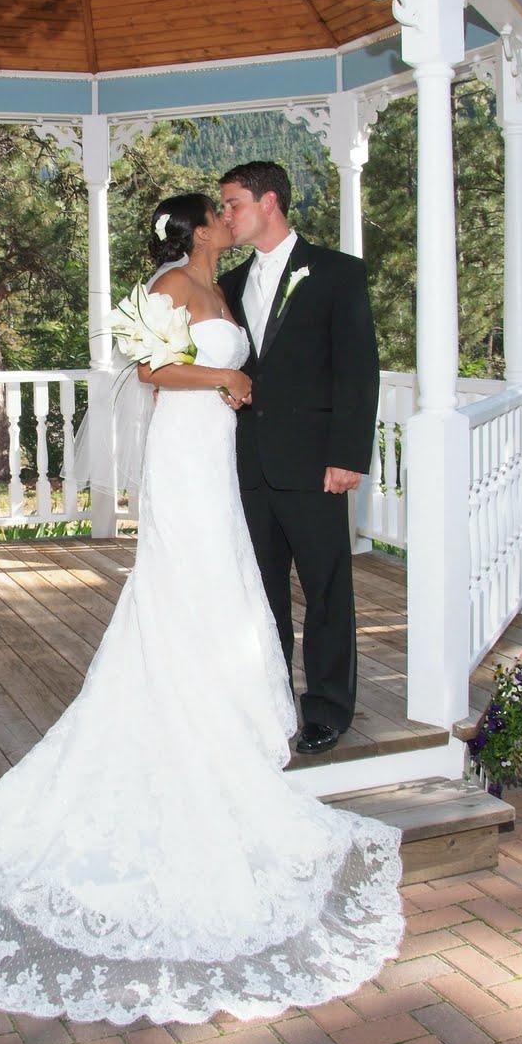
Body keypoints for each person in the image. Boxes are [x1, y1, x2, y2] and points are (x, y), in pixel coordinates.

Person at [0, 192, 403, 1027]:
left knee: (227, 583)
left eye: (234, 207)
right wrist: (225, 375)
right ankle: (188, 712)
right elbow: (153, 374)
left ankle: (235, 705)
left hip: (226, 458)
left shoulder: (222, 289)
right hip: (186, 460)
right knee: (187, 579)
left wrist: (245, 388)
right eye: (218, 214)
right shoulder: (169, 287)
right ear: (195, 230)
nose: (229, 220)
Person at [219, 162, 380, 756]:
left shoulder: (337, 273)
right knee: (261, 593)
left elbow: (358, 371)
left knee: (326, 589)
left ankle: (329, 707)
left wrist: (348, 455)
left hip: (316, 465)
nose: (226, 216)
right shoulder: (229, 287)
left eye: (233, 203)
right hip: (250, 465)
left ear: (269, 202)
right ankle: (273, 698)